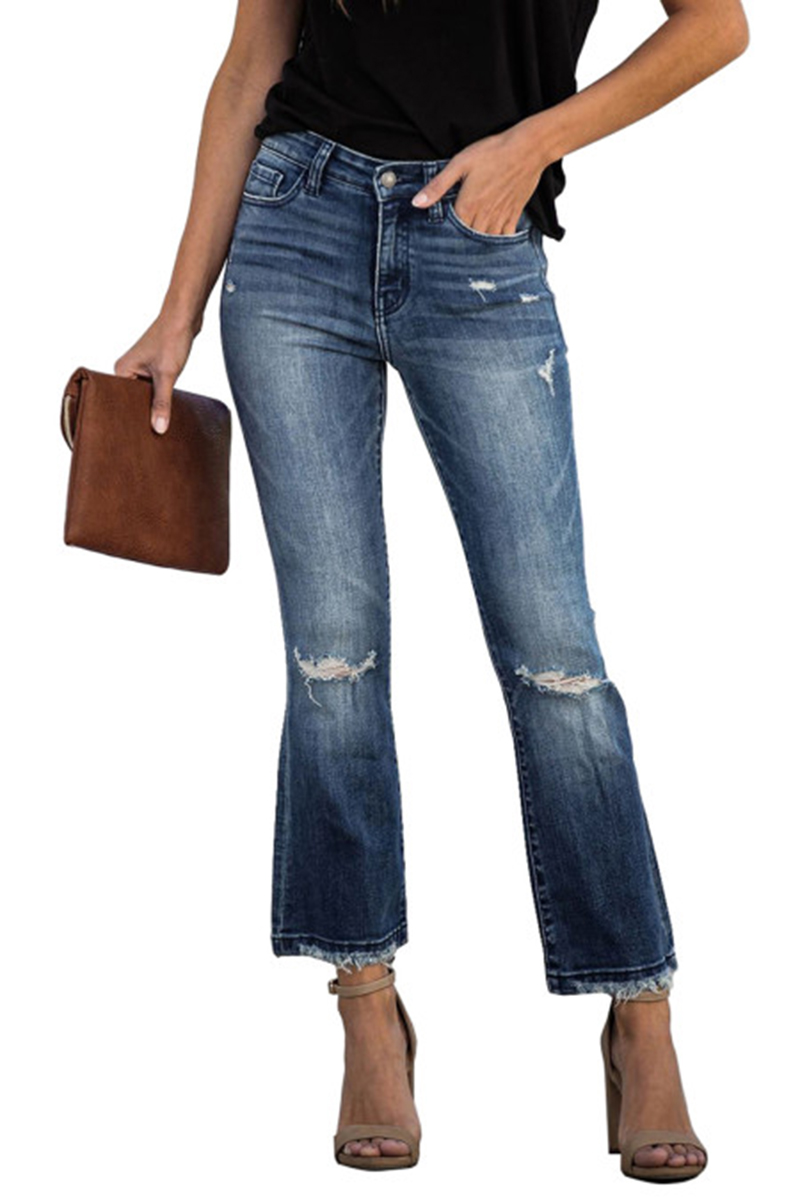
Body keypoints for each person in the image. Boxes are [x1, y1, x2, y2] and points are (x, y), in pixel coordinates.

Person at [114, 0, 749, 1181]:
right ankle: (365, 1006)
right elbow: (252, 61)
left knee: (556, 659)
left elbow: (715, 27)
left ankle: (638, 1009)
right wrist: (177, 309)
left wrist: (532, 144)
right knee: (331, 656)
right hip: (291, 235)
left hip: (478, 238)